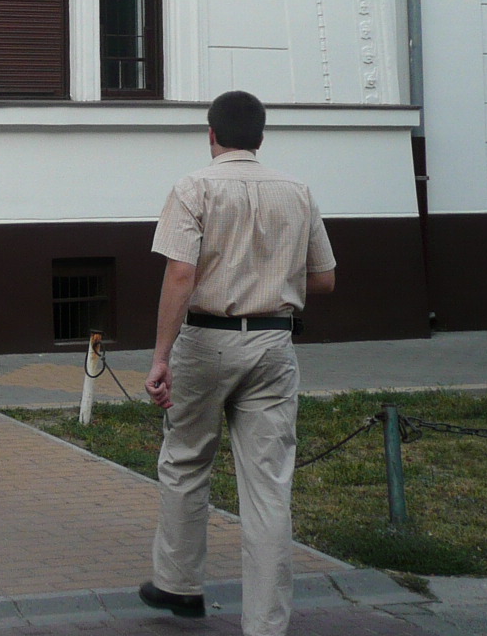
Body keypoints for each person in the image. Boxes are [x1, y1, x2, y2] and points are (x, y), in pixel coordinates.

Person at [138, 90, 337, 634]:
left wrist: (161, 357)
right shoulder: (297, 191)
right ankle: (266, 623)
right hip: (274, 343)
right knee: (269, 485)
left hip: (206, 341)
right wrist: (273, 279)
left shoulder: (193, 187)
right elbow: (325, 279)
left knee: (185, 459)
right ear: (261, 137)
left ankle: (179, 584)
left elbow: (180, 274)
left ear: (211, 134)